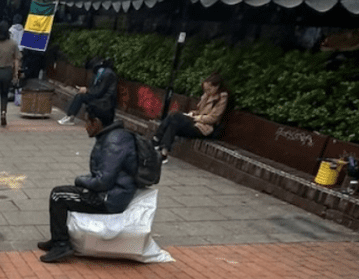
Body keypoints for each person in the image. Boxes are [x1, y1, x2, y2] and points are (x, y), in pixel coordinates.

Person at [39, 101, 137, 263]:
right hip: (112, 191)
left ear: (96, 123)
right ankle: (57, 239)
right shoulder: (114, 136)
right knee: (62, 193)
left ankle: (61, 244)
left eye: (87, 122)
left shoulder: (113, 142)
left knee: (58, 196)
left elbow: (103, 181)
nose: (85, 127)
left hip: (110, 198)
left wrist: (81, 181)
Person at [153, 73, 230, 163]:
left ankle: (156, 140)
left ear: (216, 87)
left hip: (204, 128)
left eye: (209, 89)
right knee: (173, 121)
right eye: (205, 89)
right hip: (196, 122)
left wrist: (196, 118)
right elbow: (199, 110)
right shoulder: (207, 95)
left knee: (175, 116)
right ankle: (163, 153)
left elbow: (213, 118)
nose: (207, 92)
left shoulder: (222, 98)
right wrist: (192, 113)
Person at [61, 58, 118, 125]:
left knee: (80, 97)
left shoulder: (108, 74)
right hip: (99, 96)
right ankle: (69, 116)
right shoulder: (99, 73)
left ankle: (70, 117)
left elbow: (100, 91)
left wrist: (87, 90)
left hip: (105, 99)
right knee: (79, 96)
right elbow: (96, 89)